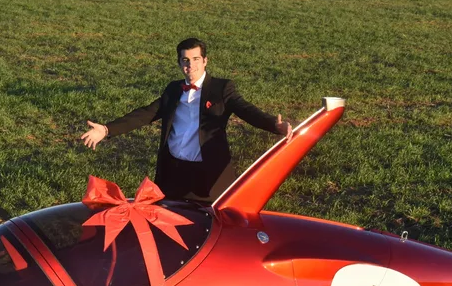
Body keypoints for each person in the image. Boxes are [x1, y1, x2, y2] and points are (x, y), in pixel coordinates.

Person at [80, 38, 293, 202]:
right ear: (179, 63)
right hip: (173, 172)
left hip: (207, 174)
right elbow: (146, 113)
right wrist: (107, 130)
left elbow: (245, 110)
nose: (190, 65)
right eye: (185, 60)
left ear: (205, 60)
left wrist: (274, 124)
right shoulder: (173, 89)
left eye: (195, 59)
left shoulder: (222, 88)